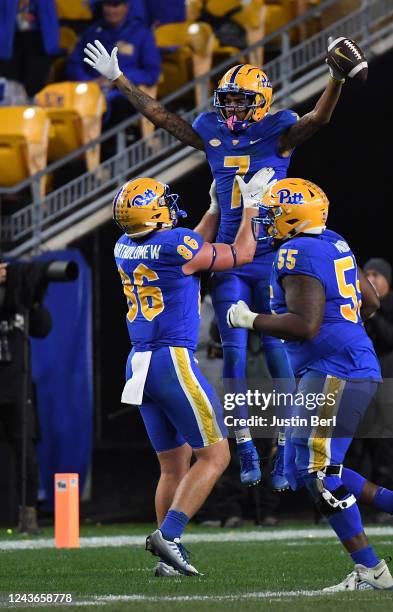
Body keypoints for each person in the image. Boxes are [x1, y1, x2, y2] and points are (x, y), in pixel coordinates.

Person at [82, 34, 364, 488]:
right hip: (231, 256)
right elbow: (164, 118)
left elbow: (319, 117)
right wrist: (120, 80)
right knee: (232, 351)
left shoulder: (279, 130)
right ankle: (246, 443)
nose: (230, 111)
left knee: (279, 352)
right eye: (226, 102)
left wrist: (335, 79)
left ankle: (286, 450)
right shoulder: (211, 129)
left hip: (274, 255)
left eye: (240, 102)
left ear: (261, 102)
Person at [227, 178, 393, 590]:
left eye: (272, 213)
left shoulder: (297, 251)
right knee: (301, 469)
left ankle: (371, 570)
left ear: (294, 217)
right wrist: (345, 332)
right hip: (332, 365)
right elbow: (370, 302)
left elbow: (305, 324)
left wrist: (248, 319)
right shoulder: (334, 240)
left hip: (335, 370)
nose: (267, 220)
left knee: (318, 473)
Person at [113, 168, 274, 576]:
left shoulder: (123, 245)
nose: (170, 209)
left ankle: (166, 559)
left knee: (173, 465)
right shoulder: (175, 244)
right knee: (216, 455)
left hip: (139, 363)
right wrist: (251, 206)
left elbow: (188, 247)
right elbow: (241, 254)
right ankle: (169, 535)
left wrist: (215, 209)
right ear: (153, 215)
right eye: (162, 205)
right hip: (172, 360)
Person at [0, 261, 52, 534]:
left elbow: (43, 328)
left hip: (16, 387)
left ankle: (28, 516)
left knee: (26, 454)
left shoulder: (18, 298)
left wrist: (31, 300)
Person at [359, 258, 393, 493]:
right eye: (366, 274)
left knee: (388, 446)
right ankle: (361, 500)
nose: (370, 279)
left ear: (387, 280)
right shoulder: (356, 306)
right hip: (363, 382)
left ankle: (388, 500)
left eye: (375, 275)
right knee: (361, 445)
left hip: (390, 384)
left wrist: (372, 313)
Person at [67, 0, 161, 128]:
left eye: (116, 6)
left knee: (118, 104)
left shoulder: (142, 34)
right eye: (107, 5)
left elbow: (152, 73)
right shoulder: (92, 33)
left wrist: (117, 79)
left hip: (124, 93)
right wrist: (90, 82)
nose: (111, 11)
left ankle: (109, 146)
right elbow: (73, 65)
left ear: (126, 7)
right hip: (91, 91)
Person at [0, 0, 60, 97]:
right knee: (9, 88)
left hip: (38, 40)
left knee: (36, 87)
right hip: (9, 40)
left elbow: (49, 16)